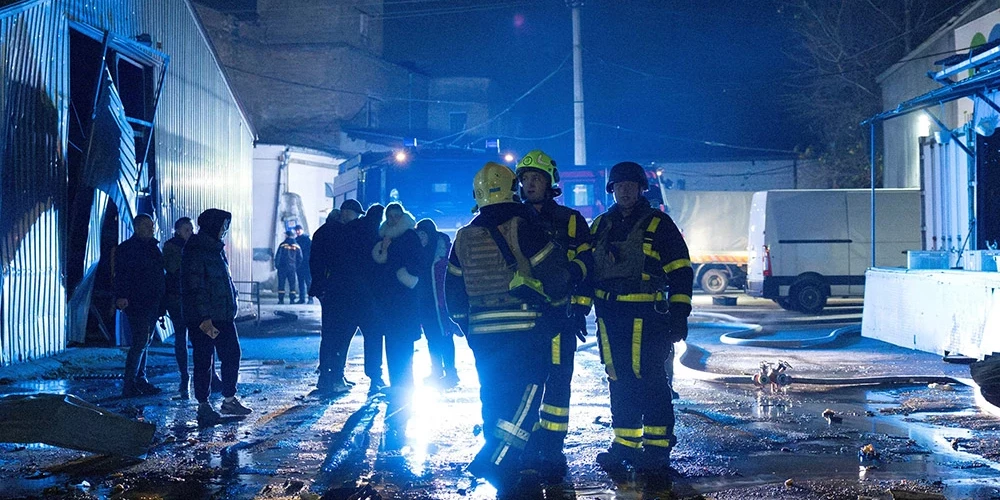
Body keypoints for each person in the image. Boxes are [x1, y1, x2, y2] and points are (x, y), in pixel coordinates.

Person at [445, 162, 579, 496]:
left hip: (482, 334)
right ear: (512, 189)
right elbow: (555, 275)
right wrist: (558, 307)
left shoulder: (463, 236)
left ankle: (504, 463)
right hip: (524, 328)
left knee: (493, 394)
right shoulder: (524, 226)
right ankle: (497, 458)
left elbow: (453, 292)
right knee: (528, 396)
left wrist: (468, 327)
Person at [575, 161, 693, 475]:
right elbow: (587, 273)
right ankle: (625, 443)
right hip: (609, 317)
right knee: (618, 378)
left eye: (630, 185)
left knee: (650, 379)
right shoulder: (600, 226)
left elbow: (680, 271)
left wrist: (679, 313)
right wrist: (579, 310)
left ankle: (657, 447)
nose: (624, 191)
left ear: (641, 188)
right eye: (619, 186)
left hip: (648, 317)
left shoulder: (659, 224)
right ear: (611, 190)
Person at [515, 149, 592, 479]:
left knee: (558, 381)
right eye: (525, 179)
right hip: (522, 318)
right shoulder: (513, 219)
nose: (530, 184)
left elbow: (587, 263)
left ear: (549, 184)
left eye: (536, 178)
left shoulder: (570, 220)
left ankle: (552, 446)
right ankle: (527, 443)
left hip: (560, 314)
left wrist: (580, 307)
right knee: (524, 379)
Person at [182, 208, 252, 424]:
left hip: (222, 315)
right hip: (205, 318)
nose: (224, 230)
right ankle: (203, 405)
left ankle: (229, 399)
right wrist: (204, 317)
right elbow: (196, 286)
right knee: (204, 360)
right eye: (222, 226)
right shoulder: (197, 250)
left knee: (232, 354)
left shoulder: (216, 249)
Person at [310, 199, 381, 395]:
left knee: (333, 336)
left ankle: (330, 376)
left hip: (333, 293)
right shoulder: (347, 232)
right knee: (350, 336)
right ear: (349, 213)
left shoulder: (326, 231)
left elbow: (316, 263)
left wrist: (320, 288)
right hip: (349, 294)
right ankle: (338, 377)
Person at [371, 202, 423, 401]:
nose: (393, 219)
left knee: (403, 342)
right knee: (392, 342)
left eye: (396, 216)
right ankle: (397, 384)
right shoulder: (385, 236)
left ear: (402, 216)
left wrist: (405, 276)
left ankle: (405, 384)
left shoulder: (409, 235)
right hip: (389, 299)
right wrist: (384, 249)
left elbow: (417, 263)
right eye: (390, 216)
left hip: (404, 298)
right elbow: (379, 264)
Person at [114, 213, 166, 398]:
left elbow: (159, 274)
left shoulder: (153, 248)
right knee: (140, 341)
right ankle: (130, 383)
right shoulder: (127, 249)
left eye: (151, 226)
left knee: (144, 341)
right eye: (146, 226)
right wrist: (121, 296)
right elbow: (121, 274)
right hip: (137, 302)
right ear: (136, 228)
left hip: (152, 302)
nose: (150, 229)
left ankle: (139, 379)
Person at [414, 219, 460, 389]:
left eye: (423, 234)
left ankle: (451, 372)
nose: (421, 238)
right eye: (419, 235)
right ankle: (437, 370)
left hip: (440, 303)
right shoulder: (419, 252)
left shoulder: (442, 251)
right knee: (431, 337)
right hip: (425, 302)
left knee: (445, 336)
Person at [163, 217, 194, 398]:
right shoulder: (172, 247)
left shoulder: (194, 246)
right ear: (178, 231)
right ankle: (184, 375)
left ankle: (205, 374)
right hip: (177, 297)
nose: (190, 233)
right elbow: (172, 268)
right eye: (186, 230)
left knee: (199, 337)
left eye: (191, 229)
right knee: (181, 337)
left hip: (192, 297)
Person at [274, 230, 302, 305]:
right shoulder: (297, 246)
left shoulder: (282, 245)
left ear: (286, 235)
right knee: (292, 284)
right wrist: (296, 266)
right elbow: (300, 258)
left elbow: (278, 256)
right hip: (292, 267)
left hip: (282, 267)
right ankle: (292, 300)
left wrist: (277, 265)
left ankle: (281, 300)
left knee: (281, 284)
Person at [293, 225, 313, 304]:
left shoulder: (307, 240)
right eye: (296, 230)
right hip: (299, 264)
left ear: (302, 230)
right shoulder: (296, 240)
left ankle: (310, 298)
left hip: (306, 264)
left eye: (299, 230)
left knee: (308, 282)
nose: (298, 232)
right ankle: (302, 298)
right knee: (301, 282)